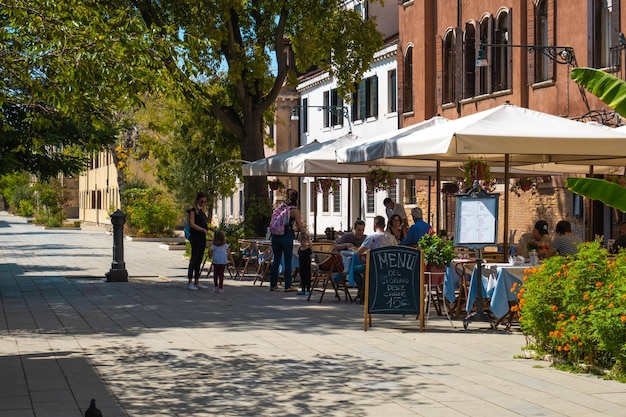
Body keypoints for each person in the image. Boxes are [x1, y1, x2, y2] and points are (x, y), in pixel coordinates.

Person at [269, 189, 308, 292]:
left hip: (275, 236)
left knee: (276, 259)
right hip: (286, 236)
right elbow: (300, 226)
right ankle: (288, 286)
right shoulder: (294, 210)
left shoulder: (280, 207)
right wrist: (305, 233)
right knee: (287, 260)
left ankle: (273, 284)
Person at [186, 192, 214, 290]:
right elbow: (192, 224)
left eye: (205, 202)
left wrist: (211, 229)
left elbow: (204, 224)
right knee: (194, 258)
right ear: (197, 200)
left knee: (199, 258)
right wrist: (203, 230)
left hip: (202, 237)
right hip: (195, 236)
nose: (203, 203)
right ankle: (190, 281)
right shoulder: (192, 210)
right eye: (202, 201)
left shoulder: (202, 212)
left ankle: (197, 280)